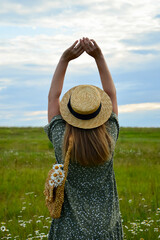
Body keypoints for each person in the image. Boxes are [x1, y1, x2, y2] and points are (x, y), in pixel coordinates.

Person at [44, 37, 124, 240]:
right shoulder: (108, 138)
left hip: (67, 231)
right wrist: (99, 57)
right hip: (106, 229)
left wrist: (64, 59)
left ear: (69, 113)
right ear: (100, 113)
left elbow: (53, 97)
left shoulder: (61, 137)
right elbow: (112, 95)